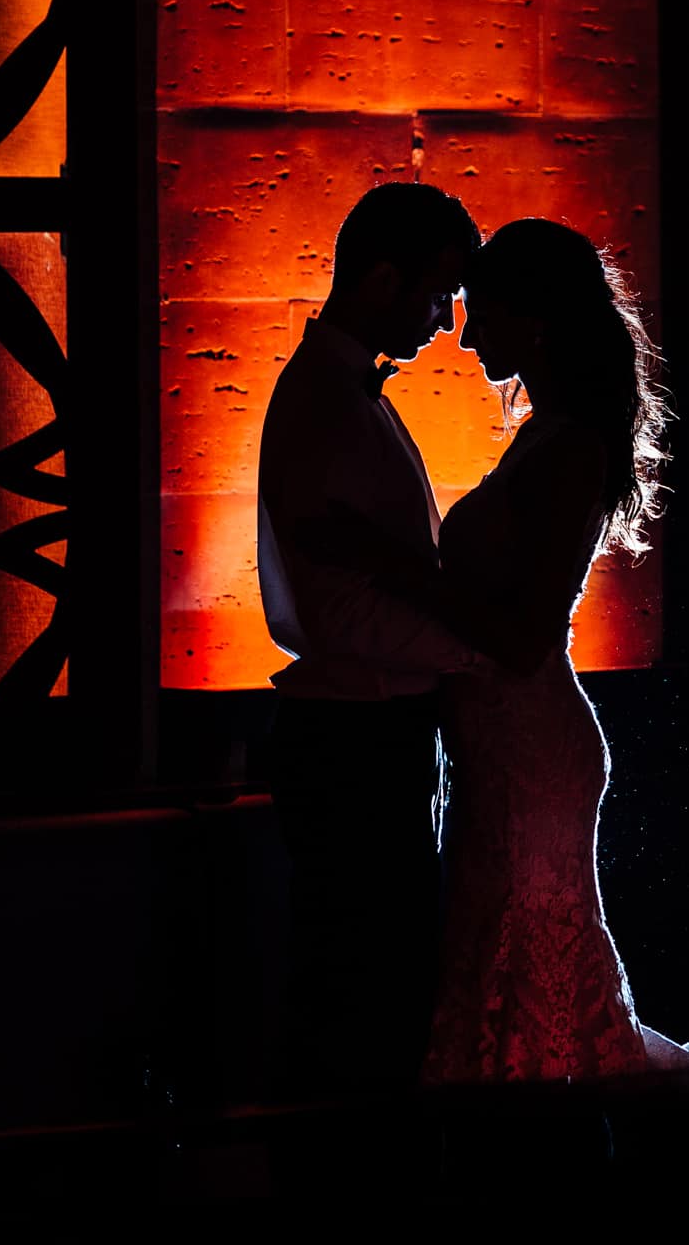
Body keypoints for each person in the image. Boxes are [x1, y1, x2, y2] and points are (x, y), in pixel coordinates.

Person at [308, 217, 689, 1082]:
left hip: (529, 749)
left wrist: (386, 563)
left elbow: (520, 635)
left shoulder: (568, 447)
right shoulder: (548, 436)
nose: (463, 335)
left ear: (535, 323)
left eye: (482, 314)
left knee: (536, 986)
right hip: (497, 748)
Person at [256, 179, 482, 1091]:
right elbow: (328, 612)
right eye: (436, 296)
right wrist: (477, 644)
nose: (443, 324)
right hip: (354, 741)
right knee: (366, 999)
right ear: (382, 279)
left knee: (380, 988)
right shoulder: (324, 400)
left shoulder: (344, 391)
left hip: (370, 733)